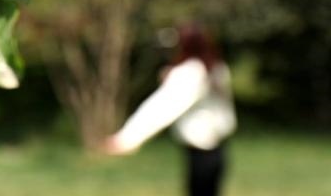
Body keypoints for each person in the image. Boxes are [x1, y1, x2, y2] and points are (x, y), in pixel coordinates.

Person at [101, 23, 236, 196]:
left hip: (202, 150)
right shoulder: (216, 68)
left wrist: (128, 138)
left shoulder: (191, 72)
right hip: (216, 148)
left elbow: (163, 107)